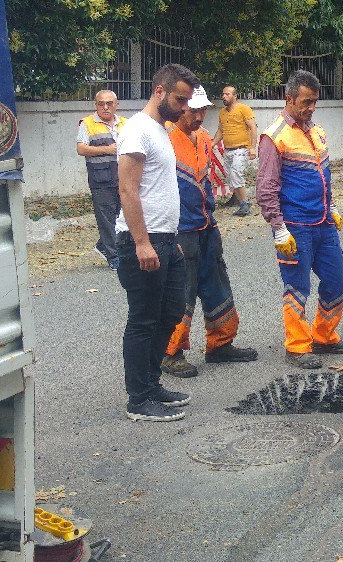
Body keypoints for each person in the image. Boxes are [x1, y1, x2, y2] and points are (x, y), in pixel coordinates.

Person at [256, 70, 343, 370]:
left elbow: (325, 176)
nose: (311, 108)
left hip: (323, 224)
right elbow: (266, 189)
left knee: (337, 282)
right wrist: (278, 229)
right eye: (306, 102)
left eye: (315, 102)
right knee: (297, 286)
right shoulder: (274, 137)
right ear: (289, 99)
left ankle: (325, 337)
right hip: (295, 227)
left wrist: (333, 206)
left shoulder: (317, 132)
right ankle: (298, 347)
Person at [115, 63, 199, 421]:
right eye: (181, 100)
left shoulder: (160, 130)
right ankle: (139, 399)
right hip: (143, 243)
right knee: (143, 320)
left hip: (167, 240)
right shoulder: (137, 130)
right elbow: (127, 188)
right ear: (160, 92)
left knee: (170, 313)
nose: (185, 108)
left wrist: (169, 238)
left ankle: (152, 383)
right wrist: (142, 242)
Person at [160, 85, 259, 379]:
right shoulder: (164, 138)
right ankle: (171, 352)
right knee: (181, 292)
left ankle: (220, 345)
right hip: (181, 230)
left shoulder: (203, 139)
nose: (201, 116)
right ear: (180, 108)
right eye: (195, 110)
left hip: (206, 225)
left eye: (204, 110)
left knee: (217, 284)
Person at [77, 90, 127, 270]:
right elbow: (81, 149)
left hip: (123, 177)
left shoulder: (126, 123)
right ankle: (113, 256)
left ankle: (103, 245)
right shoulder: (87, 123)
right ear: (95, 105)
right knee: (106, 218)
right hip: (101, 179)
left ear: (117, 105)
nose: (105, 107)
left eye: (109, 103)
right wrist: (107, 149)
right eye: (101, 103)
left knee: (124, 216)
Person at [213, 85, 257, 217]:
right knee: (230, 176)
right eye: (223, 94)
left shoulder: (244, 109)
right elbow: (221, 131)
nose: (224, 97)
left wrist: (252, 148)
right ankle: (237, 199)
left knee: (236, 173)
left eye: (227, 94)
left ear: (234, 96)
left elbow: (253, 128)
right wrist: (212, 144)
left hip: (241, 148)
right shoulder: (222, 112)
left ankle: (245, 204)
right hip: (228, 150)